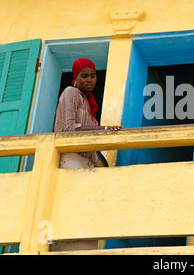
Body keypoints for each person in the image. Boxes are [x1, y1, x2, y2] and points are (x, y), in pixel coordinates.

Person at [52, 57, 122, 251]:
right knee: (73, 206)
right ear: (75, 78)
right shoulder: (71, 93)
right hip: (72, 157)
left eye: (93, 76)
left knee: (86, 209)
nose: (89, 80)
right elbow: (67, 128)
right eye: (84, 76)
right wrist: (103, 128)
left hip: (88, 161)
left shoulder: (88, 105)